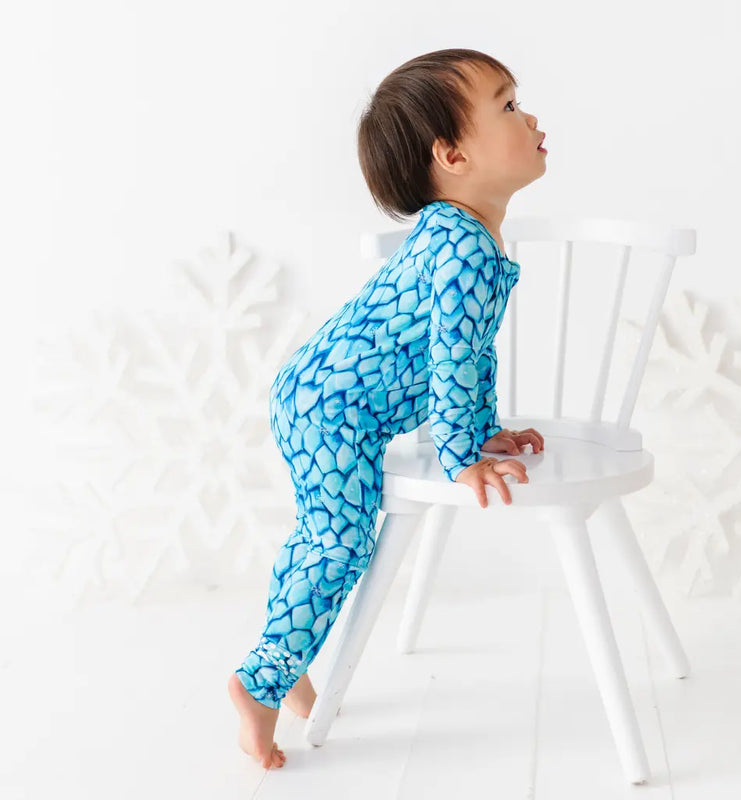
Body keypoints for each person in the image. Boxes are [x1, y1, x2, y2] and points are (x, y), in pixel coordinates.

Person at [228, 47, 547, 771]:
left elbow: (466, 348)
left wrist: (481, 427)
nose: (529, 115)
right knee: (340, 542)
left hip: (324, 397)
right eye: (505, 105)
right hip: (330, 409)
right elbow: (455, 357)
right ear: (452, 155)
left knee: (321, 533)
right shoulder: (462, 245)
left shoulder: (464, 234)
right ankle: (259, 682)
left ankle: (288, 655)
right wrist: (462, 453)